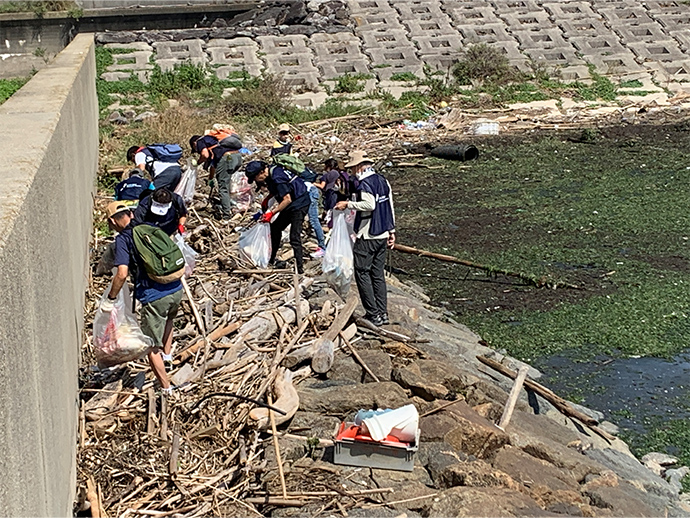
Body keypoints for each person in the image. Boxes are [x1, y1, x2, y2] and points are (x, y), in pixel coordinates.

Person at [100, 201, 183, 393]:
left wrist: (111, 299)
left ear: (113, 221)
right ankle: (168, 357)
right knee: (169, 318)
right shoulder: (149, 226)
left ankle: (166, 388)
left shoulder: (123, 239)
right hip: (176, 287)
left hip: (155, 296)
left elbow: (121, 274)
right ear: (130, 213)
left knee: (150, 346)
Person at [335, 151, 395, 327]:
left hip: (369, 232)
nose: (352, 173)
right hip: (383, 232)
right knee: (377, 274)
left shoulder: (365, 184)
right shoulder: (383, 181)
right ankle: (383, 312)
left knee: (362, 271)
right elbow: (389, 205)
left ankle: (373, 313)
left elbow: (370, 205)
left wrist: (348, 204)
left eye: (353, 169)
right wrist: (392, 230)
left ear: (359, 167)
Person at [245, 160, 310, 274]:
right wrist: (267, 202)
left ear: (261, 172)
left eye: (255, 178)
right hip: (291, 204)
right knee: (275, 228)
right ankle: (271, 259)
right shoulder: (271, 173)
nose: (256, 181)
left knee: (294, 236)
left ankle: (300, 268)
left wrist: (272, 213)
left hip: (299, 204)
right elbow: (277, 193)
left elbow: (287, 199)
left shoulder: (277, 177)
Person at [189, 134, 243, 220]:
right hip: (237, 157)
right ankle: (230, 205)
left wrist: (197, 163)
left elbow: (205, 155)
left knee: (223, 187)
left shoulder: (200, 141)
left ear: (194, 143)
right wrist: (210, 178)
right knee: (226, 183)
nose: (197, 150)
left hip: (227, 159)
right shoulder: (214, 145)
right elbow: (213, 166)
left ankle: (226, 216)